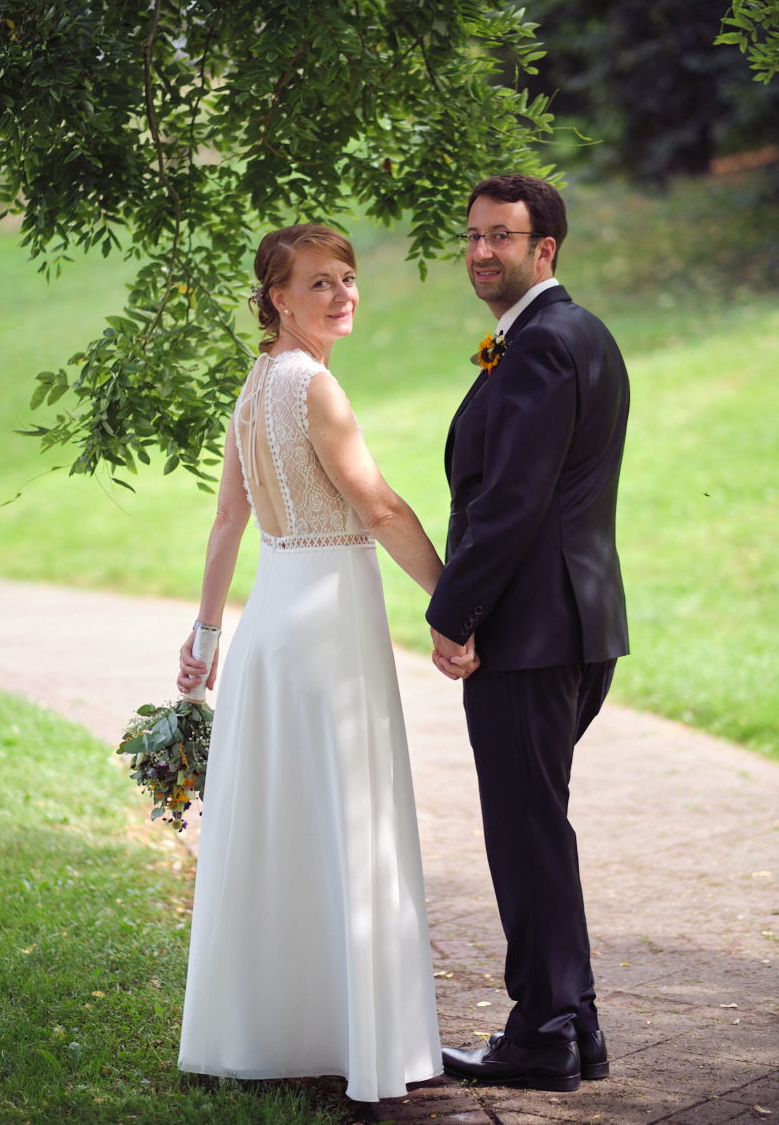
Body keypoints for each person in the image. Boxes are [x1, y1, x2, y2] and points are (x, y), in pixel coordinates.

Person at [175, 223, 443, 1101]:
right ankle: (350, 1037)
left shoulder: (256, 386)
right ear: (278, 299)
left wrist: (205, 637)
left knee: (285, 826)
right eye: (319, 283)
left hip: (271, 623)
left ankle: (277, 1029)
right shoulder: (312, 386)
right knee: (342, 817)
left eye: (347, 278)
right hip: (327, 627)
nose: (341, 295)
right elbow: (380, 507)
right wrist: (454, 606)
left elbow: (229, 521)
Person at [427, 174, 629, 1093]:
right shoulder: (577, 334)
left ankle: (542, 1035)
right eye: (473, 235)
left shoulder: (543, 343)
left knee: (524, 831)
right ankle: (573, 1024)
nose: (481, 251)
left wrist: (452, 614)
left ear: (544, 249)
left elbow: (511, 502)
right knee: (538, 825)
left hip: (531, 630)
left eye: (501, 236)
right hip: (575, 624)